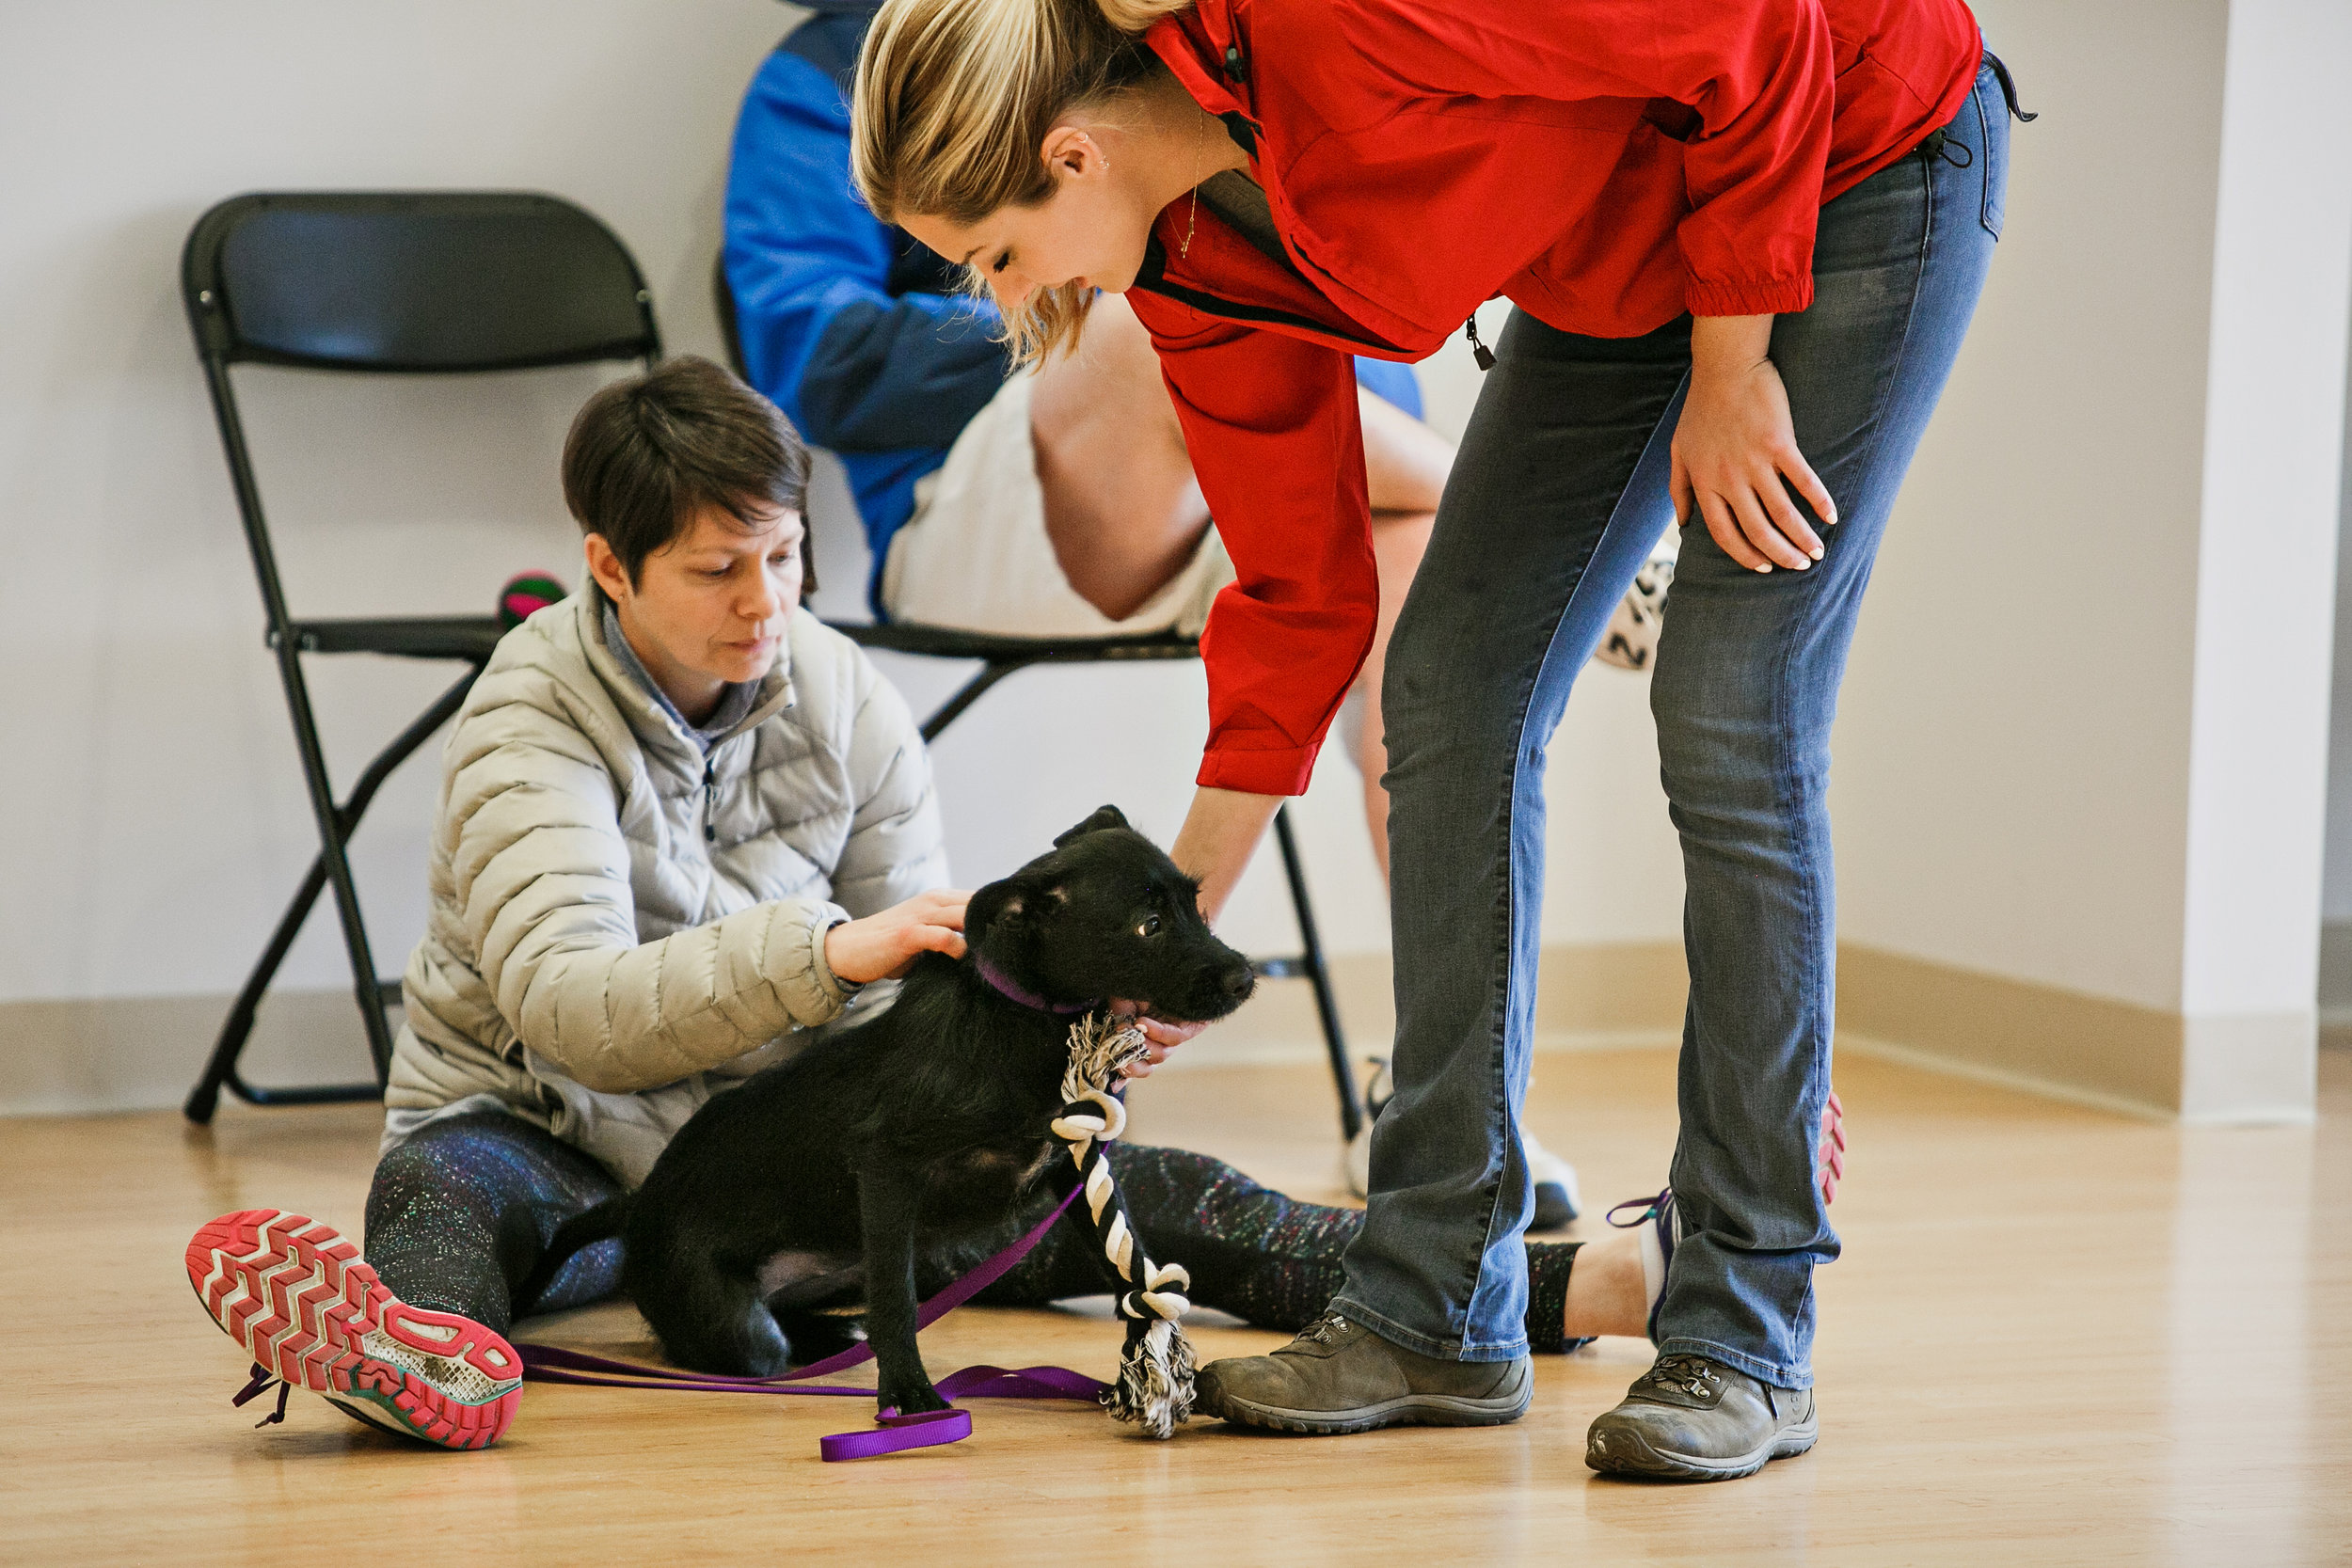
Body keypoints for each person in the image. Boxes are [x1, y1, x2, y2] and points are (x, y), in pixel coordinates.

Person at [851, 0, 2015, 1479]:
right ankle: (1432, 1306)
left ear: (1072, 155)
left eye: (996, 257)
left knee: (1730, 710)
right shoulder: (1200, 269)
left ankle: (1744, 1320)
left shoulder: (1340, 22)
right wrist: (1174, 935)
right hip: (1623, 243)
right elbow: (1296, 598)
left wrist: (1734, 375)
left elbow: (1756, 32)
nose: (1014, 301)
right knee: (1449, 690)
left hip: (1852, 149)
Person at [182, 356, 1669, 1451]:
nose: (767, 602)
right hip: (565, 1136)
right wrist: (828, 957)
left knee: (1150, 1199)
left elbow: (924, 1023)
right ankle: (429, 1357)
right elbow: (575, 1015)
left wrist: (1071, 1052)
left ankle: (1585, 1283)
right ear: (606, 571)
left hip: (803, 1156)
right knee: (438, 1185)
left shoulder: (839, 692)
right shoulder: (526, 729)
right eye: (717, 571)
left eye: (783, 555)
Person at [721, 1, 1645, 1222]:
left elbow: (1340, 305)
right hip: (981, 516)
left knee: (1406, 542)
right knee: (1148, 300)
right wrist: (1049, 286)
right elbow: (817, 357)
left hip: (1235, 463)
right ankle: (1591, 544)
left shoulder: (1161, 61)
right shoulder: (830, 75)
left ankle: (1452, 1098)